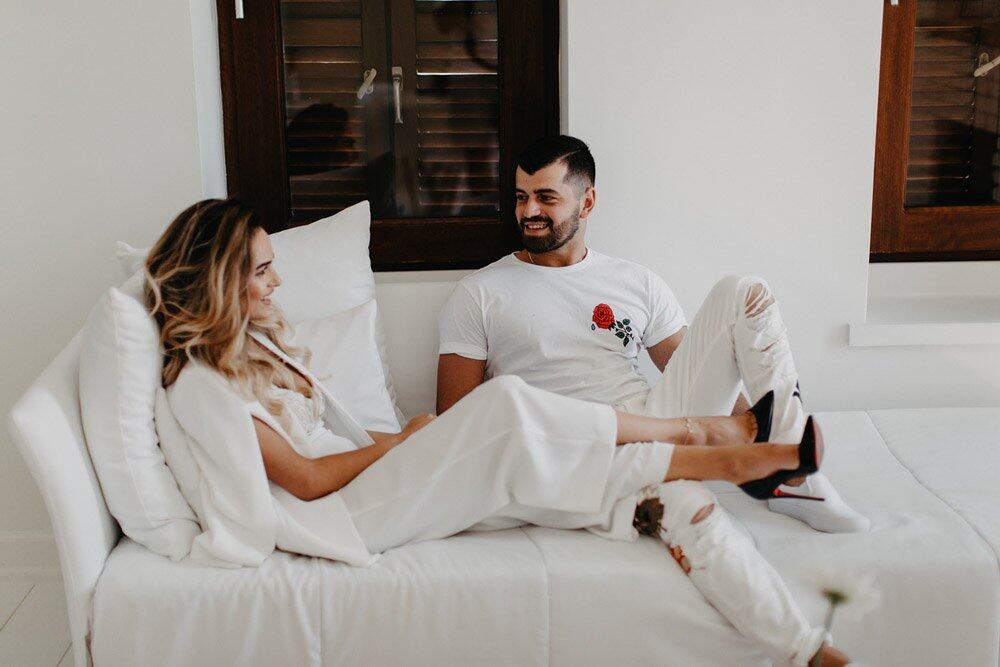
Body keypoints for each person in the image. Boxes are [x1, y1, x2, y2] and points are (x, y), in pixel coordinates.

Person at [147, 198, 850, 666]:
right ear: (218, 278)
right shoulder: (200, 386)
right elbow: (300, 478)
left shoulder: (249, 348)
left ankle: (808, 645)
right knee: (508, 404)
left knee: (650, 487)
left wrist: (401, 436)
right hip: (345, 515)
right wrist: (398, 444)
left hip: (371, 480)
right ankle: (707, 438)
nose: (277, 281)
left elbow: (329, 432)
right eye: (263, 269)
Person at [436, 135, 870, 536]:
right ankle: (788, 464)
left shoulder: (634, 282)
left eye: (546, 197)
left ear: (587, 202)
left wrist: (752, 425)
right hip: (575, 446)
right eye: (521, 197)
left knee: (744, 290)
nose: (528, 211)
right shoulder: (480, 292)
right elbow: (456, 419)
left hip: (657, 422)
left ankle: (792, 468)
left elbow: (693, 369)